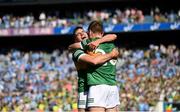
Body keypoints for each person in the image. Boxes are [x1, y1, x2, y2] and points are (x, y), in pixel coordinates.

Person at [71, 21, 120, 112]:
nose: (82, 34)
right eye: (79, 34)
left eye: (83, 32)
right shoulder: (77, 51)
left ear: (88, 33)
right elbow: (71, 47)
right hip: (85, 89)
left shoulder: (90, 43)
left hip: (96, 86)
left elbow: (113, 36)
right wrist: (112, 54)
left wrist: (98, 41)